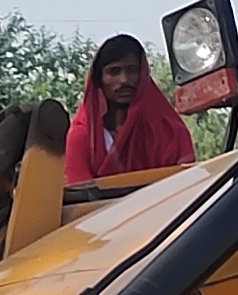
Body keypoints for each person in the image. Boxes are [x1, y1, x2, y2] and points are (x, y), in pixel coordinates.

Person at [64, 32, 196, 183]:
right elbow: (82, 193)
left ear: (143, 74)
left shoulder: (169, 130)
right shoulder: (83, 135)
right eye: (114, 71)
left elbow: (186, 185)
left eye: (132, 70)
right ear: (99, 79)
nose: (124, 80)